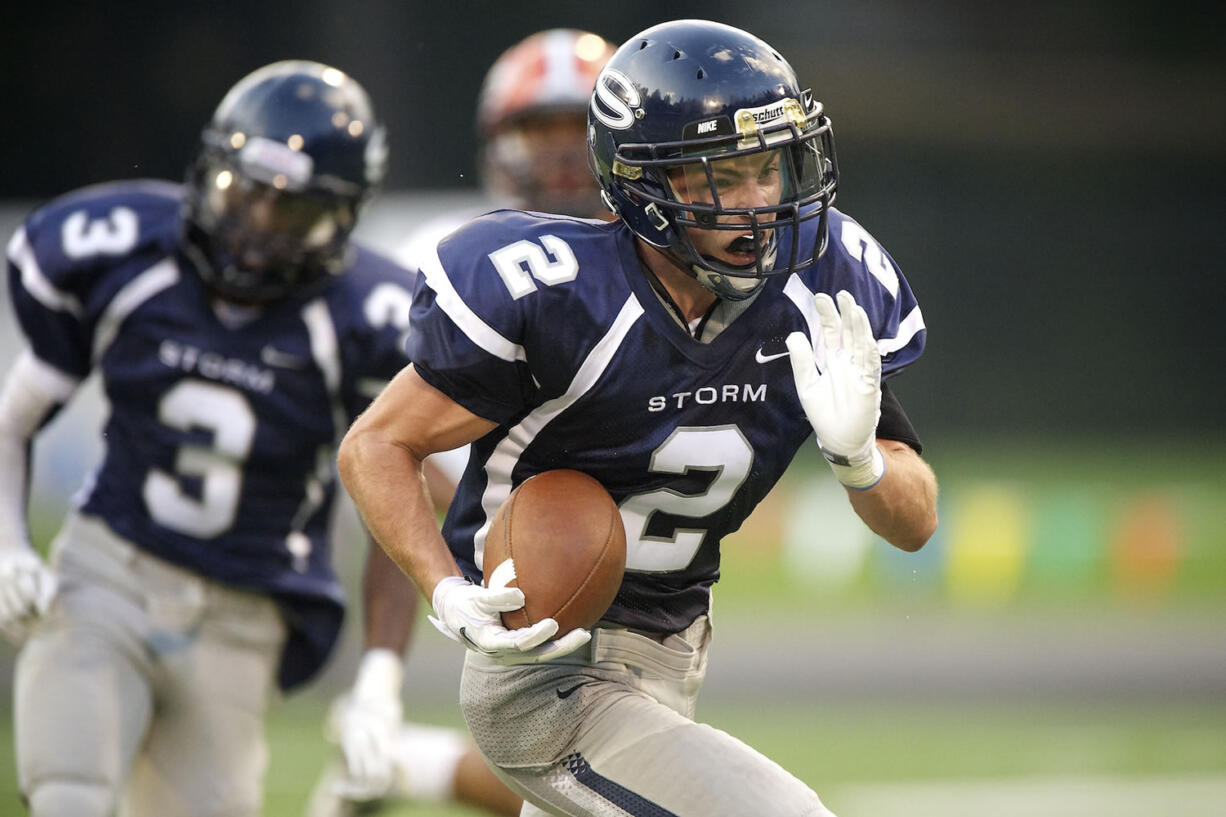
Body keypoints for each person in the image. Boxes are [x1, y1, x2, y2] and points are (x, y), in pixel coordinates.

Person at [338, 18, 938, 817]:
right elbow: (376, 442)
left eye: (769, 166)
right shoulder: (556, 292)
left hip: (669, 654)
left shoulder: (818, 284)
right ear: (647, 184)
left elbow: (917, 519)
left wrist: (861, 461)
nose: (760, 200)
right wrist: (445, 590)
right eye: (724, 176)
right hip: (546, 669)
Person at [0, 60, 499, 817]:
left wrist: (378, 681)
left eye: (291, 213)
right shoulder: (126, 253)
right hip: (108, 570)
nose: (259, 227)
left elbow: (402, 505)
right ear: (211, 170)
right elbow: (15, 418)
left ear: (343, 219)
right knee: (70, 792)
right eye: (246, 194)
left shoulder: (364, 316)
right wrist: (7, 542)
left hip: (243, 615)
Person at [306, 27, 617, 817]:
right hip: (494, 556)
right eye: (537, 133)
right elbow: (395, 460)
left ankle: (414, 764)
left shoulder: (660, 262)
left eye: (576, 133)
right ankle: (406, 752)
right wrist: (382, 670)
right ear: (497, 145)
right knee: (585, 778)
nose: (560, 158)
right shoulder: (455, 260)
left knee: (586, 782)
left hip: (620, 557)